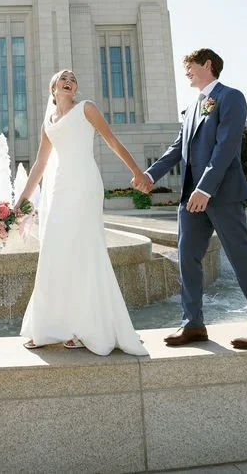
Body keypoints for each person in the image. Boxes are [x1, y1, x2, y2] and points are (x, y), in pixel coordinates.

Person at [135, 48, 247, 350]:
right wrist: (150, 176)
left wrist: (205, 188)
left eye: (190, 65)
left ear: (207, 64)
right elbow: (176, 149)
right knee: (187, 257)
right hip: (191, 200)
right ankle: (193, 324)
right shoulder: (191, 108)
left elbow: (226, 146)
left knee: (241, 257)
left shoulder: (231, 97)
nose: (186, 71)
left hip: (221, 194)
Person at [16, 69, 149, 356]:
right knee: (54, 250)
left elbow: (111, 140)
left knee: (83, 250)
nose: (69, 80)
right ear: (53, 87)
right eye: (63, 77)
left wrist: (137, 171)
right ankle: (47, 327)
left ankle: (83, 329)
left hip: (83, 185)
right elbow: (40, 163)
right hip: (56, 189)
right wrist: (22, 199)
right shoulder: (48, 121)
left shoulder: (86, 109)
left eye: (74, 78)